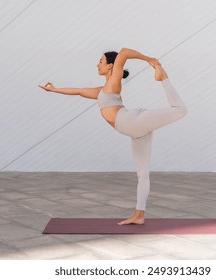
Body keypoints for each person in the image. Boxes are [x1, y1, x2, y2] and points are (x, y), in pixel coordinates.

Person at [39, 48, 187, 225]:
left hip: (134, 121)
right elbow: (78, 91)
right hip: (135, 132)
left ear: (111, 66)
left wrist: (150, 60)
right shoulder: (103, 91)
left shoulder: (114, 83)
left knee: (180, 110)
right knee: (142, 174)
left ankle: (163, 77)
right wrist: (54, 90)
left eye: (101, 61)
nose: (97, 64)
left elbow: (123, 52)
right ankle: (139, 215)